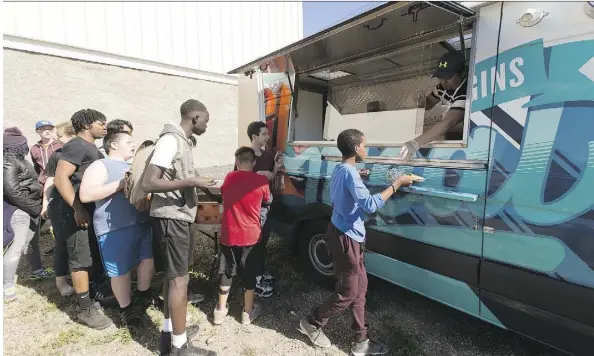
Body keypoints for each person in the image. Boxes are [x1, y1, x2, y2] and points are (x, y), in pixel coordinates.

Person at [298, 129, 413, 356]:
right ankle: (312, 323)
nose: (366, 148)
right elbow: (370, 204)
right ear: (356, 148)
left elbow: (349, 184)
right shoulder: (350, 174)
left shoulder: (343, 169)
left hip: (347, 235)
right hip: (346, 238)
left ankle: (361, 341)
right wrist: (397, 183)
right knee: (348, 293)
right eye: (364, 145)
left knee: (360, 289)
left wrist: (361, 174)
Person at [142, 99, 215, 355]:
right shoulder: (170, 140)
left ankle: (169, 333)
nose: (207, 125)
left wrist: (196, 183)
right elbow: (149, 183)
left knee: (174, 278)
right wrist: (190, 181)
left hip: (177, 217)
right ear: (194, 117)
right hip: (171, 219)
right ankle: (180, 346)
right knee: (179, 282)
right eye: (206, 120)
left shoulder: (182, 141)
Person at [80, 131, 155, 327]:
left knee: (147, 260)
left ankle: (143, 298)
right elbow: (86, 194)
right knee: (120, 270)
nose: (133, 145)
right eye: (129, 141)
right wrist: (122, 183)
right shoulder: (100, 165)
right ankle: (126, 309)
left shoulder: (133, 166)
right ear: (112, 145)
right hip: (115, 227)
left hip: (142, 223)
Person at [54, 109, 112, 329]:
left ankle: (96, 295)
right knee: (80, 259)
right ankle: (85, 308)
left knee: (91, 255)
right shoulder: (76, 145)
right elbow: (61, 179)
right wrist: (77, 208)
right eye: (101, 122)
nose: (105, 125)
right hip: (74, 212)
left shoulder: (91, 148)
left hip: (89, 209)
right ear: (87, 125)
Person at [213, 147, 273, 326]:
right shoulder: (261, 181)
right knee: (249, 271)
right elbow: (267, 200)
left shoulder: (229, 178)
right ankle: (247, 312)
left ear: (237, 162)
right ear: (254, 163)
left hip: (229, 235)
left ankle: (220, 311)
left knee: (227, 270)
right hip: (251, 236)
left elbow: (224, 194)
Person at [237, 121, 284, 298]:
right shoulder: (244, 155)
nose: (267, 137)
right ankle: (252, 280)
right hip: (250, 207)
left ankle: (259, 272)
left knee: (263, 240)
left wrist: (276, 168)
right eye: (264, 134)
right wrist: (256, 175)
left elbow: (270, 177)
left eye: (268, 134)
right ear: (254, 136)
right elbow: (238, 179)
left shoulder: (268, 155)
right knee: (252, 244)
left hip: (265, 205)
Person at [3, 127, 46, 302]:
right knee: (17, 247)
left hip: (30, 207)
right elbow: (12, 191)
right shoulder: (8, 161)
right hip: (19, 210)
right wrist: (34, 208)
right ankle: (7, 287)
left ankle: (37, 270)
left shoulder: (19, 159)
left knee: (32, 242)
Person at [400, 51, 468, 161]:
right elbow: (429, 104)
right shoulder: (441, 87)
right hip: (448, 137)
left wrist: (415, 143)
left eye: (448, 77)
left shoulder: (465, 92)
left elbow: (448, 123)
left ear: (462, 73)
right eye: (440, 77)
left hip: (464, 143)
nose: (443, 82)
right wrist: (422, 103)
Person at [42, 121, 77, 297]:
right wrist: (45, 204)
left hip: (80, 205)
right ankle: (61, 280)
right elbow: (50, 180)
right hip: (59, 206)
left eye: (60, 135)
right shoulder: (57, 155)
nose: (56, 138)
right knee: (62, 243)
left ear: (72, 135)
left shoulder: (85, 151)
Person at [31, 120, 63, 186]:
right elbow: (36, 167)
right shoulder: (34, 149)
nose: (47, 131)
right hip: (42, 183)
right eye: (43, 129)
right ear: (37, 131)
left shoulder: (61, 145)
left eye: (50, 129)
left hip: (59, 181)